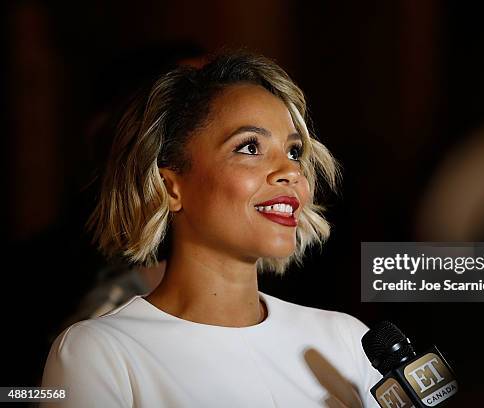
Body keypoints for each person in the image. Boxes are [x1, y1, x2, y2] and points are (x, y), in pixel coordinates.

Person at [41, 51, 382, 407]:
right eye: (250, 147)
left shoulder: (346, 340)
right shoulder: (100, 353)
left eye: (294, 151)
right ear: (171, 187)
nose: (291, 171)